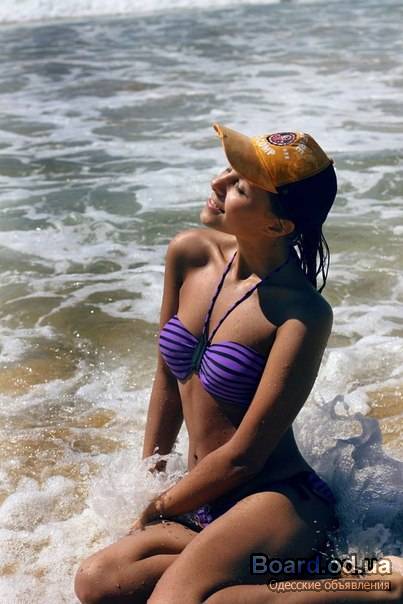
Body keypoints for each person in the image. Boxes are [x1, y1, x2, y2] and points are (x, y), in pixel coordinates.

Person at [74, 125, 403, 604]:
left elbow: (246, 456)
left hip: (272, 498)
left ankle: (376, 587)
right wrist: (153, 476)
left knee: (172, 601)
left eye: (240, 187)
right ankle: (258, 574)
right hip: (203, 500)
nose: (218, 183)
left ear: (278, 226)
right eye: (229, 171)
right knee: (98, 582)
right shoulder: (190, 253)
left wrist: (160, 507)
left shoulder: (301, 313)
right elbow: (167, 376)